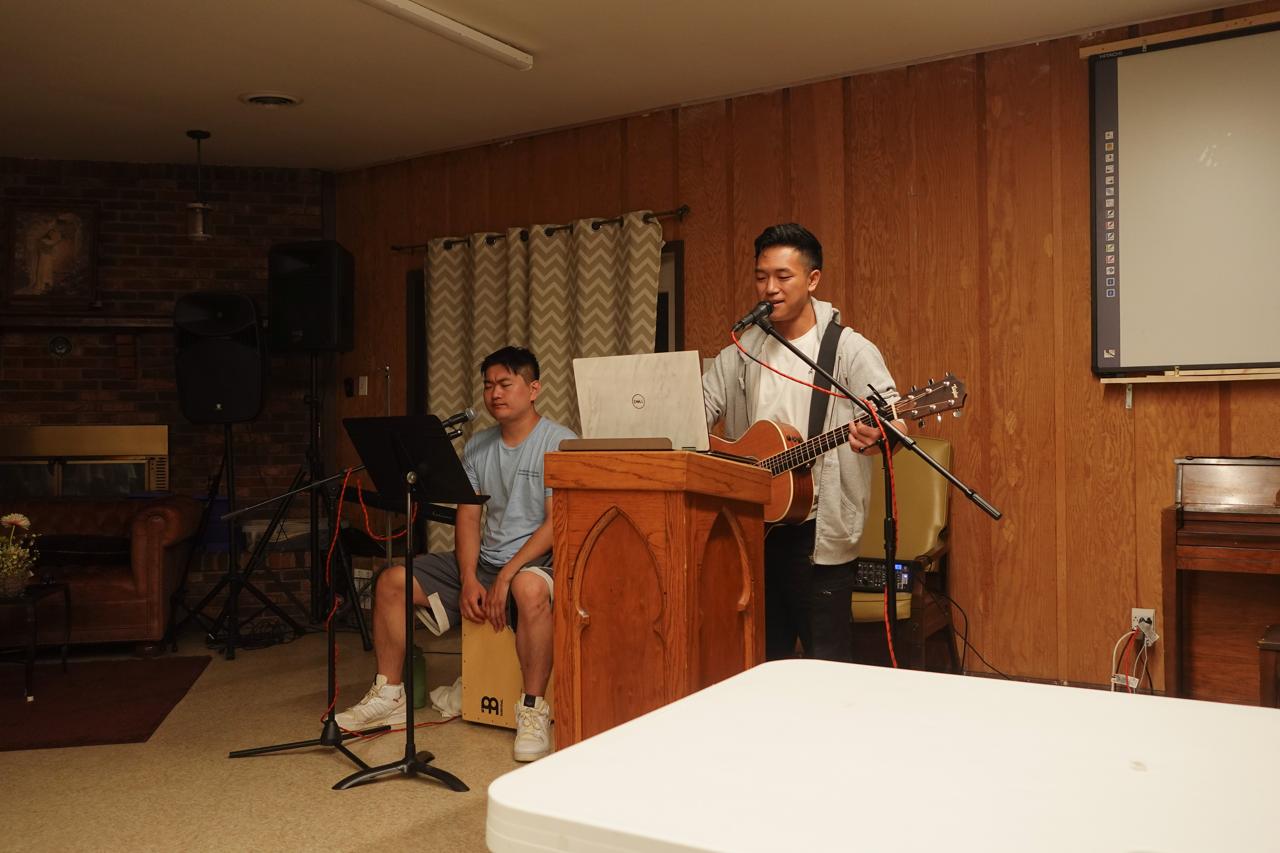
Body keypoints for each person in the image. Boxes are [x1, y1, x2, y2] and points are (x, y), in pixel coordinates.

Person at [336, 346, 577, 762]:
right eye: (488, 385)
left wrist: (507, 575)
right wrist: (468, 577)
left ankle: (533, 709)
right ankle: (390, 695)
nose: (495, 393)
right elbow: (468, 516)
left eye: (505, 384)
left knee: (528, 588)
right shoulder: (478, 446)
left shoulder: (559, 441)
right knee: (392, 581)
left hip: (537, 564)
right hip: (486, 562)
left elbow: (557, 524)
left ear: (533, 389)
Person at [702, 223, 904, 662]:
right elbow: (696, 409)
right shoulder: (742, 351)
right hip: (752, 528)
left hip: (819, 534)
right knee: (758, 659)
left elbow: (893, 418)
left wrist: (879, 436)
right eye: (761, 277)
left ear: (813, 280)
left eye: (783, 276)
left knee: (827, 663)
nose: (769, 288)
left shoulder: (847, 350)